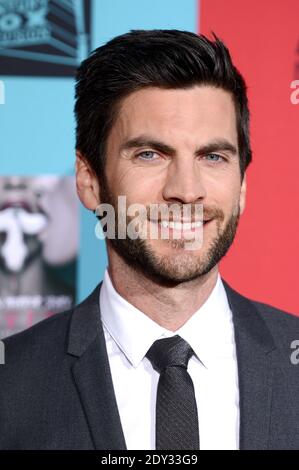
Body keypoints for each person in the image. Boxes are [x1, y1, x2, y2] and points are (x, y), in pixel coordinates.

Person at [0, 29, 299, 451]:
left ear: (243, 185)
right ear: (89, 180)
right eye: (150, 155)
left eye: (213, 157)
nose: (186, 190)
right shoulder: (11, 386)